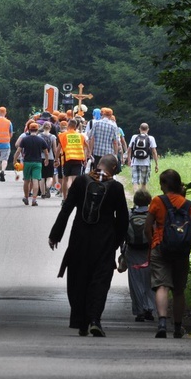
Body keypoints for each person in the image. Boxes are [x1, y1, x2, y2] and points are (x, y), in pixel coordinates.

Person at [49, 155, 129, 337]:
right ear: (114, 167)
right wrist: (117, 243)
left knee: (78, 279)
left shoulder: (81, 181)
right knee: (100, 281)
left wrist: (55, 235)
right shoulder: (116, 187)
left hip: (79, 239)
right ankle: (95, 319)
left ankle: (81, 321)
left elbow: (67, 208)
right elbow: (123, 219)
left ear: (97, 164)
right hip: (104, 241)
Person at [145, 169, 191, 338]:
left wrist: (152, 243)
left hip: (160, 247)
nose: (160, 187)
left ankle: (161, 323)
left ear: (166, 185)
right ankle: (177, 327)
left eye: (161, 183)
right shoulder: (188, 204)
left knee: (162, 285)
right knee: (178, 290)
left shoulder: (157, 201)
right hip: (181, 250)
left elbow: (147, 226)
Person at [122, 190, 156, 322]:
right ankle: (150, 308)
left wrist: (122, 251)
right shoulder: (152, 215)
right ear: (149, 200)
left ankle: (139, 310)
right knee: (150, 280)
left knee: (135, 281)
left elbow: (123, 233)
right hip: (149, 250)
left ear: (135, 201)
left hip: (132, 250)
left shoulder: (130, 214)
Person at [14, 122, 49, 206]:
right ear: (37, 130)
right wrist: (46, 159)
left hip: (27, 162)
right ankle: (34, 199)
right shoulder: (41, 140)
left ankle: (26, 197)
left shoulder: (25, 139)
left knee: (26, 180)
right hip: (37, 162)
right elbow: (46, 152)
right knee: (35, 180)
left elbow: (18, 150)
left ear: (29, 130)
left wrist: (15, 159)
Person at [57, 119, 88, 203]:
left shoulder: (63, 135)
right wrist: (85, 158)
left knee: (65, 179)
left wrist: (56, 159)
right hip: (78, 159)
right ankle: (74, 197)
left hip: (67, 159)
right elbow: (86, 147)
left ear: (68, 125)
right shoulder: (80, 136)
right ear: (76, 126)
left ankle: (64, 198)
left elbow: (58, 148)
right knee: (76, 179)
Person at [127, 123, 159, 192]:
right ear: (148, 129)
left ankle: (136, 199)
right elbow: (154, 152)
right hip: (146, 163)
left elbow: (129, 149)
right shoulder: (151, 138)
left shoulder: (134, 137)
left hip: (135, 162)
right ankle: (143, 199)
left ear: (139, 129)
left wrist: (129, 159)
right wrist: (156, 164)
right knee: (144, 182)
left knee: (135, 181)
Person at [38, 122, 58, 199]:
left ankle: (43, 193)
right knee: (50, 176)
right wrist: (56, 159)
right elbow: (55, 149)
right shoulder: (53, 137)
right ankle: (47, 187)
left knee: (42, 176)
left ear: (43, 127)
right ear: (50, 128)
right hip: (50, 158)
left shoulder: (39, 136)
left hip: (41, 158)